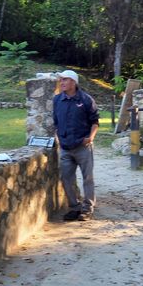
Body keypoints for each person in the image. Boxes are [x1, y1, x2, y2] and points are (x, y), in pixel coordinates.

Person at [53, 70, 99, 221]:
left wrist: (90, 138)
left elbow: (95, 122)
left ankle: (87, 209)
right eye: (61, 80)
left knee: (88, 178)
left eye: (65, 80)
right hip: (65, 148)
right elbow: (56, 123)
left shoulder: (86, 100)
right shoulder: (57, 100)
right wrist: (58, 138)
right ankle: (74, 207)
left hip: (82, 147)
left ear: (73, 82)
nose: (62, 83)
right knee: (66, 178)